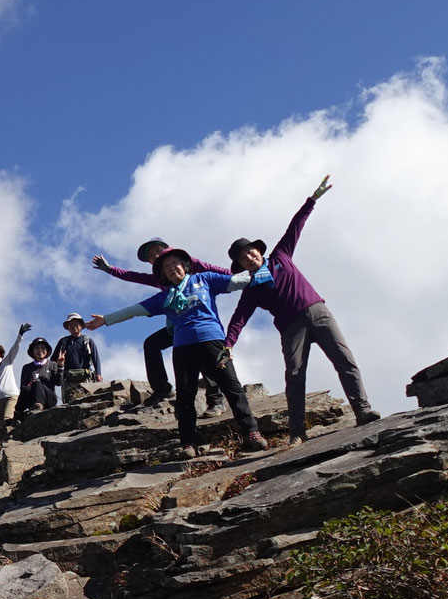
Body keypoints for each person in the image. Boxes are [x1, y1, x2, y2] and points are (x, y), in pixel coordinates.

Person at [225, 175, 381, 437]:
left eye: (250, 252)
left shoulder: (280, 256)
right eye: (243, 258)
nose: (249, 258)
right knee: (295, 375)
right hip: (291, 327)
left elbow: (295, 226)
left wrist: (313, 199)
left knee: (345, 360)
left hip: (318, 312)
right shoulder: (251, 288)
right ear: (240, 266)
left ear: (258, 252)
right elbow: (239, 318)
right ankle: (297, 432)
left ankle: (363, 410)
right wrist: (229, 344)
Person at [87, 248, 272, 454]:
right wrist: (106, 319)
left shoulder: (205, 279)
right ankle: (188, 443)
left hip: (213, 341)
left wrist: (267, 268)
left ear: (185, 266)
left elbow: (238, 282)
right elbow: (134, 310)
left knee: (232, 387)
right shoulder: (164, 297)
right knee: (185, 395)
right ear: (163, 275)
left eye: (175, 263)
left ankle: (251, 432)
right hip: (183, 347)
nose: (171, 268)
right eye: (166, 267)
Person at [94, 244, 225, 410]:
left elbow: (218, 271)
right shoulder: (160, 277)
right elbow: (133, 276)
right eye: (151, 255)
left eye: (157, 251)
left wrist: (248, 275)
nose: (155, 255)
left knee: (203, 355)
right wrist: (110, 269)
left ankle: (216, 401)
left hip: (201, 324)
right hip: (176, 328)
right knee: (151, 344)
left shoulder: (191, 265)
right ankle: (162, 388)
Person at [54, 313, 101, 397]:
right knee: (69, 404)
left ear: (81, 325)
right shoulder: (63, 342)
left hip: (86, 379)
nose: (73, 326)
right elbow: (53, 360)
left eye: (76, 323)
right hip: (68, 379)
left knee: (87, 402)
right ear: (67, 327)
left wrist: (98, 374)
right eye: (70, 324)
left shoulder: (88, 341)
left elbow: (96, 359)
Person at [17, 335, 61, 417]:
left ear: (47, 351)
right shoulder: (27, 367)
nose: (40, 350)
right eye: (37, 348)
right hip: (31, 398)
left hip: (49, 398)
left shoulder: (52, 364)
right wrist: (30, 383)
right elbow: (22, 387)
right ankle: (18, 413)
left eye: (43, 348)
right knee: (27, 388)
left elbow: (58, 383)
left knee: (37, 381)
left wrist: (61, 366)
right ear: (32, 351)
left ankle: (38, 405)